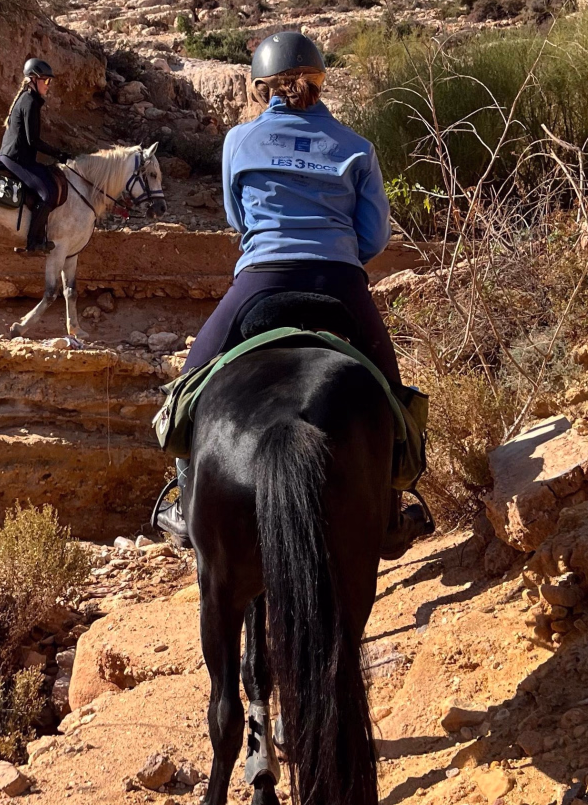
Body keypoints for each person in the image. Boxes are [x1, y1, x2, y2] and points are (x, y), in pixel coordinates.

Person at [153, 30, 431, 556]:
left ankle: (185, 502)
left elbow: (238, 219)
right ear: (320, 83)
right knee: (392, 395)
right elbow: (374, 238)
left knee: (189, 383)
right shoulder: (357, 148)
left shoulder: (239, 141)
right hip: (341, 282)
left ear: (262, 89)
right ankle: (393, 512)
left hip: (262, 280)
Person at [0, 57, 65, 254]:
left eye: (49, 81)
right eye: (46, 80)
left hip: (18, 157)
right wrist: (58, 153)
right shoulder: (30, 103)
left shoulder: (28, 99)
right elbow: (32, 141)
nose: (48, 85)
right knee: (48, 193)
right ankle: (32, 243)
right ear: (33, 80)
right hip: (16, 159)